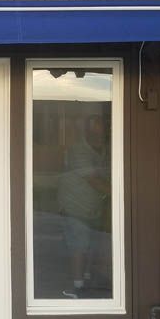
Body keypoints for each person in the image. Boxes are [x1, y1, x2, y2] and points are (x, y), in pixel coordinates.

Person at [57, 113, 111, 299]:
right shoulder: (78, 150)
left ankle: (86, 281)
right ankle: (77, 288)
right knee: (78, 245)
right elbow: (93, 179)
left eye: (102, 124)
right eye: (96, 124)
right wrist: (120, 194)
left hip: (91, 207)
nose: (101, 128)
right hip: (74, 207)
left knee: (90, 245)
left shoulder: (102, 149)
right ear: (87, 129)